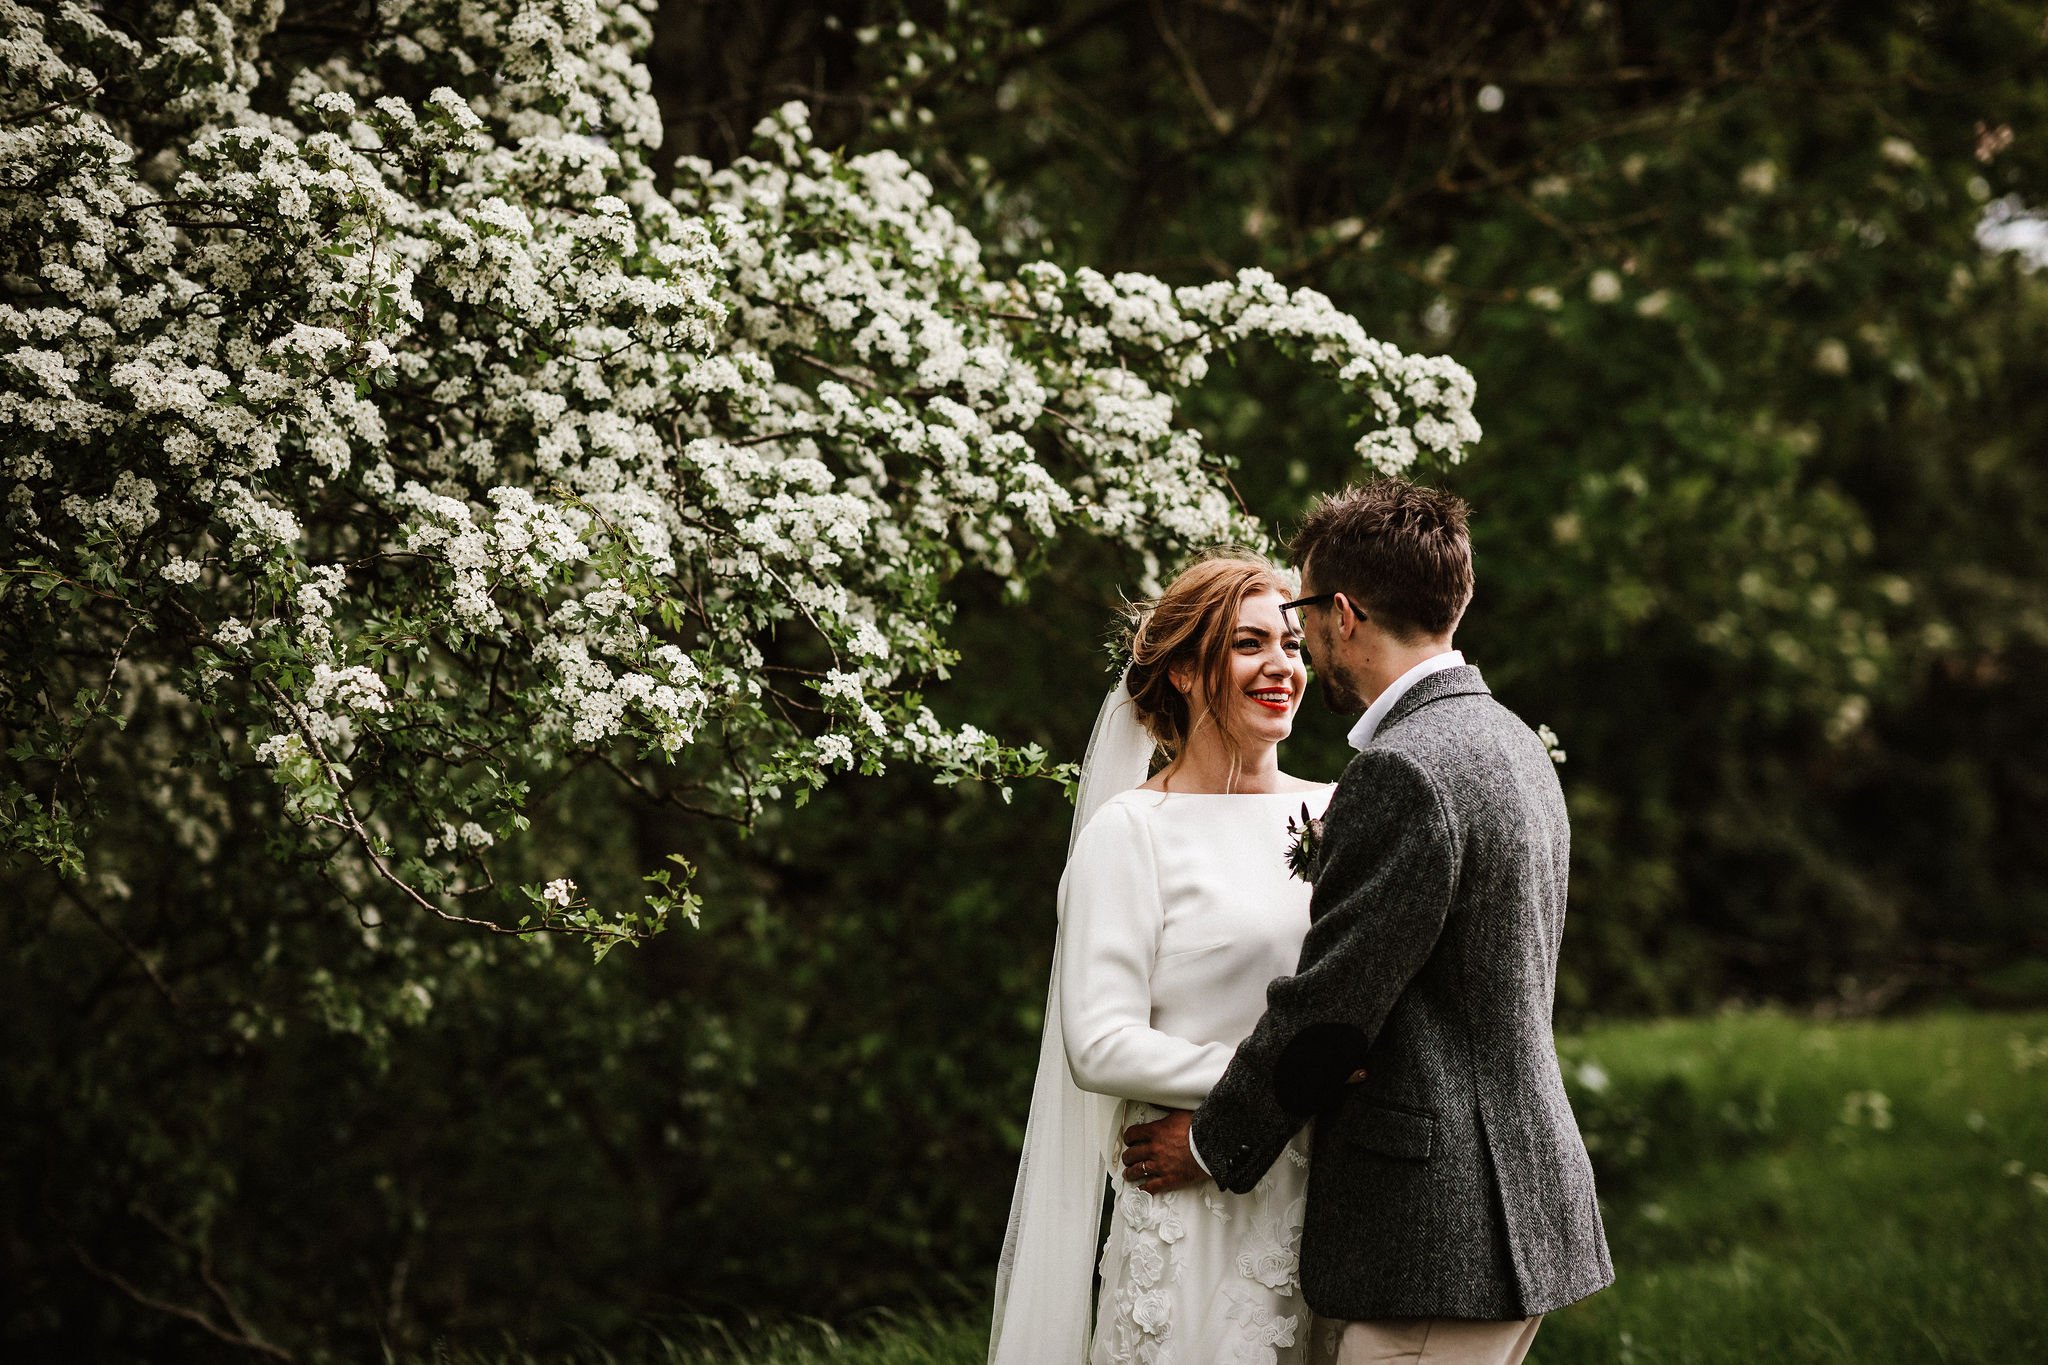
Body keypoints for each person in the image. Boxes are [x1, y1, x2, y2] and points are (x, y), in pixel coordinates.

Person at [1118, 480, 1613, 1365]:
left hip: (1437, 1233)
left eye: (1303, 612)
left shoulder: (1404, 771)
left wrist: (1207, 1138)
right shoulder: (1509, 742)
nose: (1301, 641)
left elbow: (1334, 1006)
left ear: (1342, 613)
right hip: (1513, 1209)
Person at [989, 552, 1343, 1365]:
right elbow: (1100, 1043)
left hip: (1327, 1201)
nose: (1282, 665)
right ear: (1185, 669)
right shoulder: (1132, 832)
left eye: (1292, 644)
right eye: (1250, 644)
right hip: (1195, 1211)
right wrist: (1269, 1082)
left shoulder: (1335, 812)